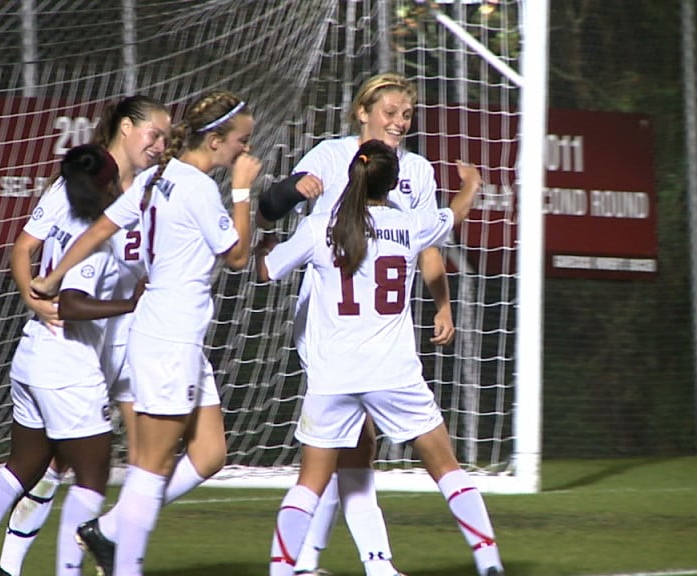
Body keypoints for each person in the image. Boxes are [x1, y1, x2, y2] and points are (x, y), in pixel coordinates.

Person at [30, 89, 261, 576]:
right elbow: (237, 256)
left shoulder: (160, 177)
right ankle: (122, 559)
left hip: (178, 336)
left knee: (210, 453)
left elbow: (100, 229)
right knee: (149, 468)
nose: (246, 151)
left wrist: (52, 276)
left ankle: (110, 529)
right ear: (215, 141)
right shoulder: (196, 187)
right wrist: (242, 191)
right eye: (241, 141)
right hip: (168, 336)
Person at [258, 71, 474, 576]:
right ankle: (336, 563)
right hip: (328, 323)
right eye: (390, 112)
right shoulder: (330, 157)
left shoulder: (415, 170)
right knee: (350, 446)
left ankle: (317, 563)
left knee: (355, 444)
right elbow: (272, 209)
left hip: (376, 325)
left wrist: (442, 303)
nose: (399, 121)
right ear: (362, 112)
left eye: (406, 114)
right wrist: (289, 189)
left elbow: (427, 247)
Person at [0, 144, 141, 576]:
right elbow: (71, 303)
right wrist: (129, 305)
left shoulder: (65, 215)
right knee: (92, 477)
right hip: (67, 369)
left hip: (31, 356)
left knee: (22, 468)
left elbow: (30, 256)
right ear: (109, 183)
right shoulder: (94, 232)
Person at [0, 95, 171, 576]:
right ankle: (9, 566)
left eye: (166, 138)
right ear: (127, 129)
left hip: (135, 338)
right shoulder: (86, 181)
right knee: (57, 467)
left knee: (144, 461)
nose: (160, 145)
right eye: (153, 134)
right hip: (84, 342)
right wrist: (33, 300)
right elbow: (25, 247)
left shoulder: (162, 187)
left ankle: (116, 559)